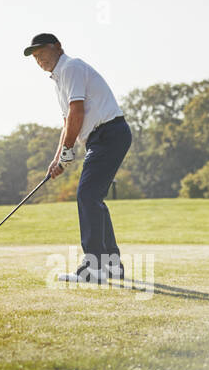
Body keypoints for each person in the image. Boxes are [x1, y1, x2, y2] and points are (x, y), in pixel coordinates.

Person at [22, 33, 132, 284]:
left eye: (42, 53)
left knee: (87, 195)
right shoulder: (59, 78)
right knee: (92, 197)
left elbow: (77, 110)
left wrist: (68, 150)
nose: (39, 59)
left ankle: (93, 268)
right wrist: (58, 157)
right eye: (35, 57)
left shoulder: (70, 67)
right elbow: (67, 122)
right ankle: (112, 266)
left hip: (108, 134)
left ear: (58, 47)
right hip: (104, 137)